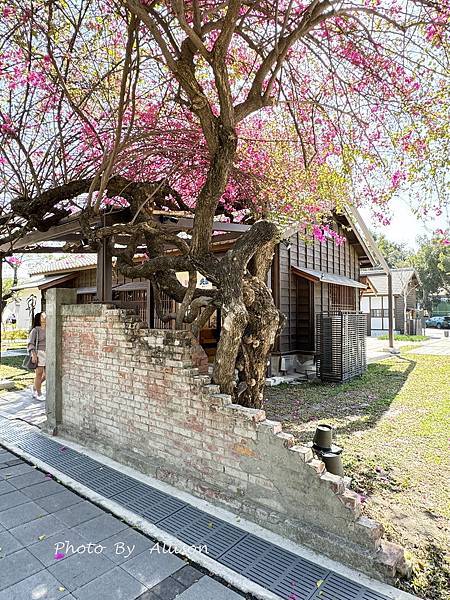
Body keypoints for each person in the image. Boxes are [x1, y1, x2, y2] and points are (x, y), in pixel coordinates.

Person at [28, 312, 46, 400]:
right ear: (39, 318)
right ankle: (38, 394)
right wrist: (34, 355)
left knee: (47, 375)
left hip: (49, 353)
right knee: (39, 374)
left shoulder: (49, 328)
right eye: (43, 316)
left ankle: (35, 387)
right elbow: (30, 344)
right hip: (39, 353)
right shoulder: (35, 330)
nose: (45, 316)